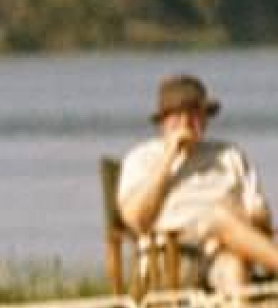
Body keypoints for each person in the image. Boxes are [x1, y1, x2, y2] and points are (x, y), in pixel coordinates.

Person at [117, 73, 278, 289]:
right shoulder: (142, 158)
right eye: (177, 116)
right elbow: (136, 219)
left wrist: (251, 217)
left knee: (233, 266)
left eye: (194, 114)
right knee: (219, 219)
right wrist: (169, 160)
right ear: (163, 121)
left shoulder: (229, 155)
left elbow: (260, 214)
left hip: (227, 252)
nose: (186, 123)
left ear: (205, 118)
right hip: (172, 255)